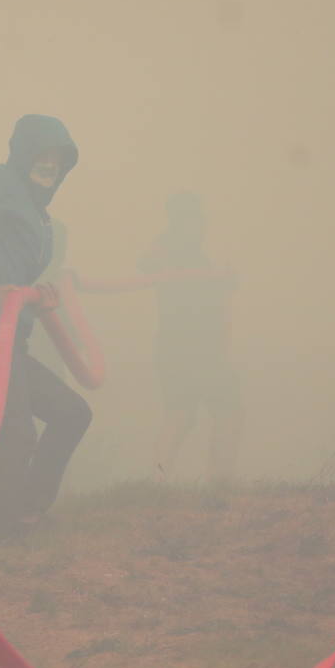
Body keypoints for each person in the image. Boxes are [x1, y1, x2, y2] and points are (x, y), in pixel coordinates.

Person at [0, 115, 92, 542]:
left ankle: (27, 512)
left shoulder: (34, 209)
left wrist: (35, 295)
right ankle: (4, 537)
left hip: (9, 336)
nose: (50, 166)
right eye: (41, 156)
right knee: (17, 429)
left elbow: (12, 267)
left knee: (71, 413)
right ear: (22, 154)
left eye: (58, 159)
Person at [137, 191, 243, 485]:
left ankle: (168, 482)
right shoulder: (168, 247)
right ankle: (217, 483)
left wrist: (223, 282)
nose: (203, 224)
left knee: (185, 414)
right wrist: (209, 278)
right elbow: (146, 264)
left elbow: (206, 295)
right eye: (196, 217)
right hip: (188, 347)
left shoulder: (195, 253)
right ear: (182, 220)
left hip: (195, 347)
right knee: (220, 410)